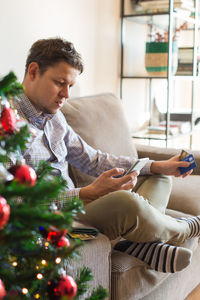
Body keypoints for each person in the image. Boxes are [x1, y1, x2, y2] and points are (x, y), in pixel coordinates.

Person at [13, 37, 200, 274]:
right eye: (60, 82)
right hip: (55, 221)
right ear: (33, 71)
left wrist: (155, 165)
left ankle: (135, 245)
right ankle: (184, 228)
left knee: (158, 178)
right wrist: (86, 192)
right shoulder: (8, 124)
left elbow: (93, 159)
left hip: (83, 206)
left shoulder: (55, 117)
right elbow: (15, 201)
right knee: (127, 202)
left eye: (70, 85)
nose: (66, 95)